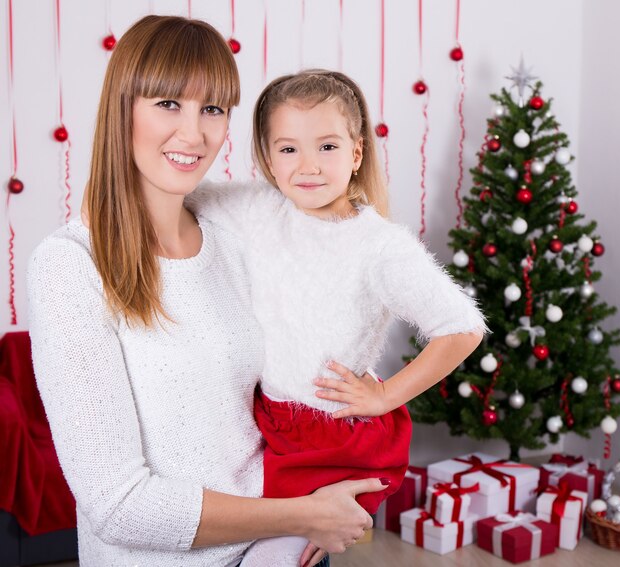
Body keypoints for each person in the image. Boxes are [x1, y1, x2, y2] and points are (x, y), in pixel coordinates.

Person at [26, 17, 385, 567]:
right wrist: (302, 512)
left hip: (281, 549)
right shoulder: (71, 265)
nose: (194, 134)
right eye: (168, 103)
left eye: (212, 109)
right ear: (123, 107)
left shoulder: (232, 235)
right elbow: (118, 505)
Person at [186, 69, 488, 566]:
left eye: (326, 146)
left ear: (356, 153)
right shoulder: (260, 208)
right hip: (269, 424)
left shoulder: (379, 247)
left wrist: (386, 394)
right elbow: (178, 194)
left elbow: (462, 327)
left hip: (331, 438)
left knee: (280, 556)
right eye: (288, 149)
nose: (307, 166)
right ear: (267, 158)